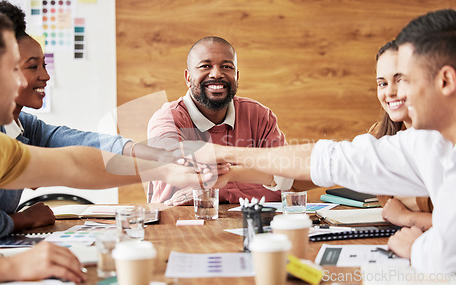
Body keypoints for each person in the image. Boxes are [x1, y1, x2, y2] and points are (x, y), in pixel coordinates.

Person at [176, 9, 456, 273]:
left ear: (445, 81)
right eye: (383, 82)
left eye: (407, 79)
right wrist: (227, 158)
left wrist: (417, 249)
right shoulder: (425, 142)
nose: (398, 94)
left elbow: (446, 256)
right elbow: (325, 160)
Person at [0, 7, 215, 283]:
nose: (24, 80)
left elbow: (76, 164)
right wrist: (14, 267)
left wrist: (163, 168)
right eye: (15, 69)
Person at [147, 36, 297, 205]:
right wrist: (254, 178)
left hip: (251, 223)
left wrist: (212, 189)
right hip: (180, 224)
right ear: (188, 78)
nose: (217, 74)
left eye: (226, 66)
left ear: (237, 76)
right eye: (205, 66)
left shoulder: (260, 115)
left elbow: (285, 176)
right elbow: (175, 165)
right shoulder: (168, 118)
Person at [370, 40, 432, 231]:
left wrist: (407, 217)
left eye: (401, 80)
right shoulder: (379, 135)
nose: (389, 92)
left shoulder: (447, 138)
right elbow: (339, 161)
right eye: (382, 83)